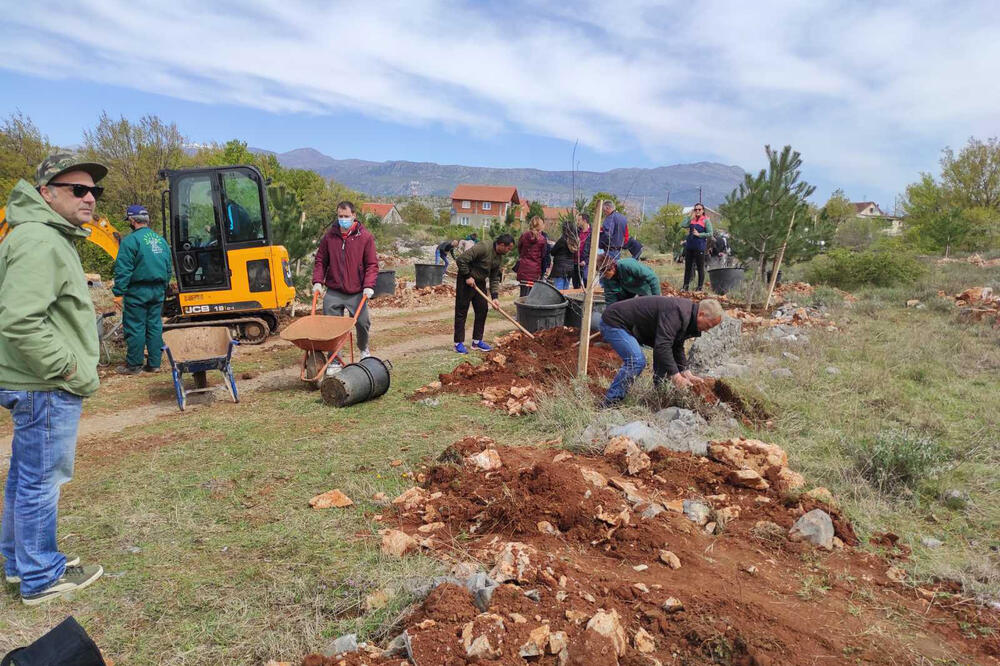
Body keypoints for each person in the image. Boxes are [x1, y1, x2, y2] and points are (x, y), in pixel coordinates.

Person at [0, 152, 108, 604]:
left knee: (25, 477)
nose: (89, 198)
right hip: (44, 384)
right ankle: (41, 577)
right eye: (77, 190)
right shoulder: (40, 241)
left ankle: (17, 563)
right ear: (46, 193)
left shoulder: (38, 235)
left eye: (94, 191)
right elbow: (20, 321)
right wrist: (67, 368)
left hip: (33, 381)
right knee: (43, 480)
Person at [598, 296, 724, 407]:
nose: (707, 330)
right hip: (614, 322)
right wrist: (677, 377)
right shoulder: (677, 312)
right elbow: (662, 346)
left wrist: (686, 373)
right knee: (636, 361)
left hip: (632, 327)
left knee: (665, 361)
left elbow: (676, 345)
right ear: (701, 314)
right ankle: (610, 402)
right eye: (708, 326)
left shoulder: (688, 316)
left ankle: (659, 399)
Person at [312, 201, 379, 370]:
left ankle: (364, 349)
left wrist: (368, 285)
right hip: (334, 290)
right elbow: (321, 260)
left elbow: (372, 264)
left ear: (354, 216)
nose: (343, 219)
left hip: (357, 291)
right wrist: (318, 282)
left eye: (346, 216)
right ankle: (335, 360)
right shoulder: (330, 237)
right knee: (331, 326)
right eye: (340, 216)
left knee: (363, 323)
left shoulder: (365, 237)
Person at [112, 205, 172, 374]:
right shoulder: (161, 241)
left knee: (135, 326)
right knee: (154, 326)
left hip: (137, 291)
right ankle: (154, 364)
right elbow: (168, 269)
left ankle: (134, 365)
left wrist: (119, 292)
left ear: (132, 220)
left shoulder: (130, 241)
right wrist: (163, 286)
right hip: (158, 291)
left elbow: (123, 269)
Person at [453, 234, 515, 354]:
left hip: (479, 282)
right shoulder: (483, 247)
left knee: (482, 309)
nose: (509, 251)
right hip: (466, 280)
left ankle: (476, 341)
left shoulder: (498, 257)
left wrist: (495, 297)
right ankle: (458, 343)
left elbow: (494, 278)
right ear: (502, 245)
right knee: (462, 311)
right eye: (508, 248)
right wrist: (467, 276)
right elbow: (461, 260)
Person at [681, 204, 714, 291]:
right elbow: (683, 225)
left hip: (700, 247)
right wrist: (689, 216)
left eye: (699, 209)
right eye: (695, 209)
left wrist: (699, 234)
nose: (697, 211)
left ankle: (699, 288)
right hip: (689, 246)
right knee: (688, 267)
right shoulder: (692, 219)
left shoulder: (706, 220)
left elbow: (710, 233)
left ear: (703, 210)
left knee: (700, 268)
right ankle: (685, 287)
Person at [516, 216, 547, 297]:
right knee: (532, 295)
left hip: (524, 268)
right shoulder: (542, 239)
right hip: (535, 270)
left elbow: (519, 248)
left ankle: (521, 309)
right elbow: (543, 254)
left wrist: (523, 256)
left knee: (523, 294)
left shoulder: (524, 236)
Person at [548, 219, 579, 290]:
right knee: (566, 290)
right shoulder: (575, 242)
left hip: (559, 269)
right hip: (570, 269)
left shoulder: (562, 240)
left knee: (559, 291)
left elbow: (553, 252)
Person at [576, 213, 591, 287]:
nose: (577, 222)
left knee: (586, 280)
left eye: (579, 220)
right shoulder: (577, 232)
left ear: (584, 221)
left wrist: (586, 261)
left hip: (586, 263)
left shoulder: (592, 233)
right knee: (576, 284)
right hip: (576, 262)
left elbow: (594, 250)